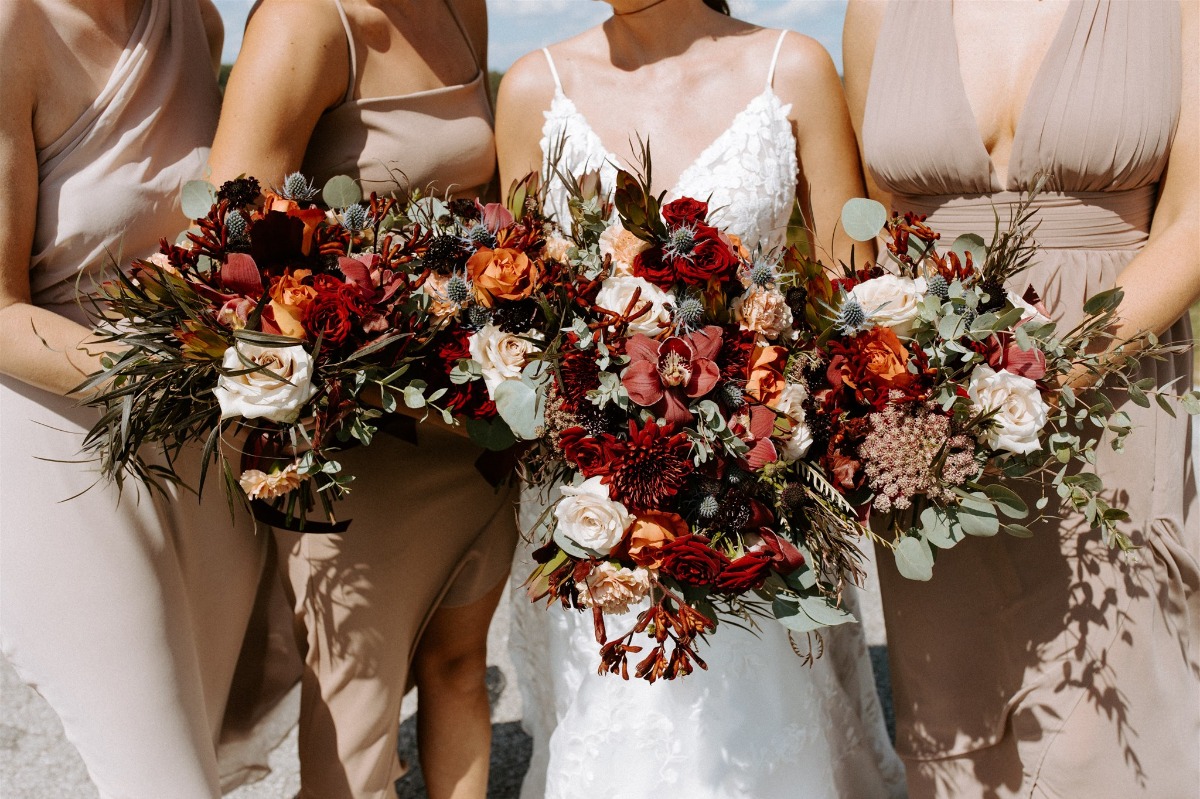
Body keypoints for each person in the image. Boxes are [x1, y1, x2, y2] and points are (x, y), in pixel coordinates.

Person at [496, 1, 906, 797]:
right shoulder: (531, 89)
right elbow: (525, 310)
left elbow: (848, 300)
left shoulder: (793, 68)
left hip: (757, 485)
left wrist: (770, 424)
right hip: (593, 498)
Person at [843, 0, 1199, 796]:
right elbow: (876, 234)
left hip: (1110, 392)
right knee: (957, 714)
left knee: (1115, 710)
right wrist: (915, 390)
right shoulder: (875, 10)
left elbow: (1193, 220)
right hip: (930, 420)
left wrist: (1034, 381)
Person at [208, 2, 517, 797]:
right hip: (360, 440)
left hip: (470, 423)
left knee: (457, 670)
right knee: (358, 711)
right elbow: (228, 242)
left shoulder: (460, 8)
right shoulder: (304, 23)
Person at [0, 1, 275, 796]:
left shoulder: (197, 21)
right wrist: (185, 375)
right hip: (51, 425)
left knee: (191, 738)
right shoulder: (15, 29)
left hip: (195, 427)